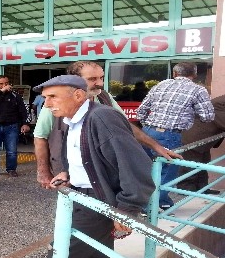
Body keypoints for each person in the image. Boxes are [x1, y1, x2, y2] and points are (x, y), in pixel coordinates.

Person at [36, 75, 154, 258]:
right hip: (84, 197)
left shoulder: (102, 117)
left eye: (53, 97)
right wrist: (69, 175)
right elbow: (89, 158)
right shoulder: (72, 119)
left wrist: (128, 208)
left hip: (97, 203)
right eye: (46, 98)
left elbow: (137, 164)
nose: (46, 104)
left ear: (78, 95)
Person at [34, 61, 180, 189]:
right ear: (75, 80)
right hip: (69, 175)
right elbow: (40, 136)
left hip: (100, 175)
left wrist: (156, 147)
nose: (100, 83)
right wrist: (44, 172)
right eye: (92, 79)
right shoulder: (56, 103)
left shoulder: (104, 97)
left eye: (101, 78)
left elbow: (126, 126)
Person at [137, 62, 215, 210]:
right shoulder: (198, 89)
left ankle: (152, 203)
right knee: (167, 172)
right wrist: (189, 113)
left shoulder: (160, 85)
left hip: (146, 133)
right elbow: (208, 116)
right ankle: (152, 207)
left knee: (146, 170)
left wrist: (149, 127)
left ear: (174, 74)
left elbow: (141, 111)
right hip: (170, 135)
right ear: (195, 74)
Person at [0, 75, 30, 177]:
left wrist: (25, 123)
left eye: (6, 83)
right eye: (1, 83)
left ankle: (11, 169)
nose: (4, 85)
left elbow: (23, 110)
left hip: (11, 127)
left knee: (12, 151)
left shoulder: (15, 95)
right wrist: (1, 91)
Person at [178, 95, 225, 194]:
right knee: (190, 164)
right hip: (194, 138)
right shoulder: (217, 106)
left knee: (203, 164)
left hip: (203, 139)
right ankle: (186, 189)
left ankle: (202, 189)